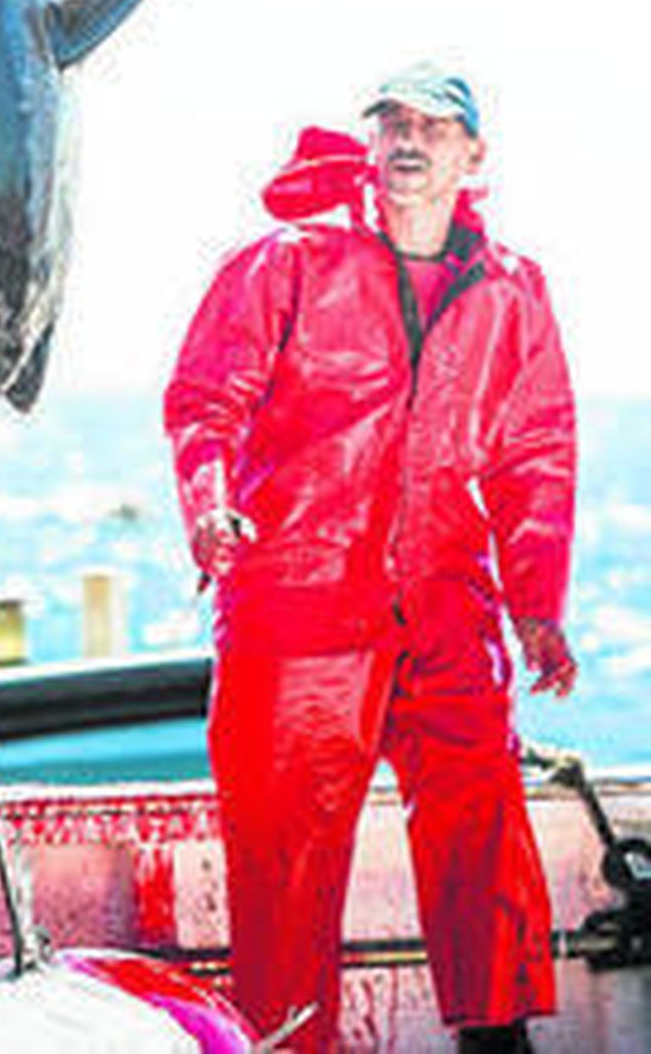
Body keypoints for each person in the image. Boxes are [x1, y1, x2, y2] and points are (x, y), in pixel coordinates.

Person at [163, 64, 577, 1053]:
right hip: (296, 598)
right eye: (392, 119)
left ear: (473, 157)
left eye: (434, 126)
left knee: (481, 820)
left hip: (445, 598)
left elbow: (535, 452)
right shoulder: (284, 262)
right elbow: (203, 401)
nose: (408, 137)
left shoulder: (513, 289)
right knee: (286, 863)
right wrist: (211, 508)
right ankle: (289, 1042)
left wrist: (536, 606)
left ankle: (495, 1036)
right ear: (368, 141)